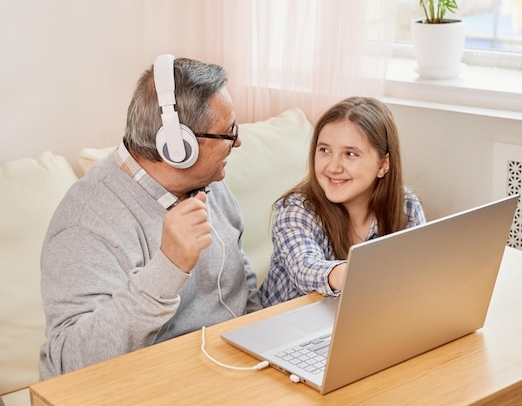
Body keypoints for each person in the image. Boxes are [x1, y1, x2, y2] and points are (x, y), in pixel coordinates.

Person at [39, 55, 262, 380]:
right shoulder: (85, 222)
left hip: (221, 374)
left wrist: (260, 347)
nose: (238, 142)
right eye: (228, 134)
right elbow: (71, 363)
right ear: (178, 146)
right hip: (140, 386)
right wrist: (168, 268)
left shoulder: (208, 180)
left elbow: (240, 279)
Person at [259, 96, 426, 307]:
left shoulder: (407, 206)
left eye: (350, 154)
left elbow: (417, 277)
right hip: (283, 328)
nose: (333, 167)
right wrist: (349, 275)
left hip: (361, 319)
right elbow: (304, 267)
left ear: (384, 164)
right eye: (324, 150)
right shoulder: (295, 210)